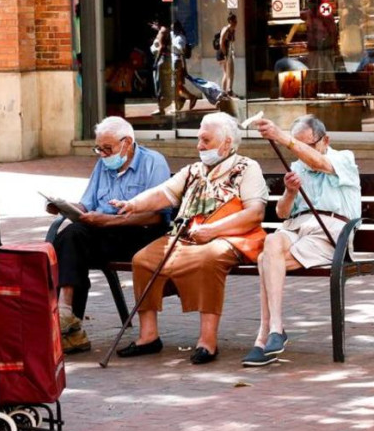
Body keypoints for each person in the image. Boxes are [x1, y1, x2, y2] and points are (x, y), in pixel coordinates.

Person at [110, 112, 268, 364]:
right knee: (142, 260)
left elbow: (255, 213)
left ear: (226, 142)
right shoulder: (193, 170)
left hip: (229, 236)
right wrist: (132, 204)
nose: (199, 146)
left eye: (205, 140)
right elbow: (164, 193)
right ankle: (148, 336)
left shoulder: (247, 168)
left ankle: (207, 341)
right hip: (186, 236)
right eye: (198, 140)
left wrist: (213, 230)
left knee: (208, 259)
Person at [241, 115, 360, 367]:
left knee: (265, 260)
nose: (301, 151)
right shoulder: (296, 167)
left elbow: (319, 163)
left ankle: (264, 336)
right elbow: (283, 213)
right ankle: (276, 328)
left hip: (330, 231)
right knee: (271, 242)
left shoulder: (343, 158)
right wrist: (290, 192)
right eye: (297, 144)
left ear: (325, 140)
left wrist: (280, 136)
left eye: (307, 144)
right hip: (296, 228)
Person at [49, 116, 170, 354]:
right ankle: (66, 314)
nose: (103, 154)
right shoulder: (103, 164)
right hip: (104, 230)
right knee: (66, 238)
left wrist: (112, 220)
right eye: (99, 149)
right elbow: (87, 203)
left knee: (73, 240)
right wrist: (65, 207)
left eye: (107, 149)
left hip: (140, 233)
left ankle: (67, 320)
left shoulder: (153, 162)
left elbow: (158, 215)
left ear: (127, 143)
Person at [171, 21, 198, 111]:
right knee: (178, 85)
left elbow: (181, 51)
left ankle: (179, 102)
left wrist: (184, 68)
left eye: (173, 27)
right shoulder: (174, 36)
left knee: (176, 85)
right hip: (174, 62)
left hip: (177, 62)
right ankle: (188, 98)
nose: (172, 29)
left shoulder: (180, 38)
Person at [217, 13, 238, 97]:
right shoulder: (226, 29)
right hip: (223, 53)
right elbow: (221, 42)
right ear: (230, 21)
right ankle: (223, 92)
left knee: (231, 72)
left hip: (229, 53)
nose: (236, 22)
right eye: (234, 21)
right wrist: (225, 53)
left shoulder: (233, 30)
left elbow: (232, 42)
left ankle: (229, 89)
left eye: (236, 21)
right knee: (226, 73)